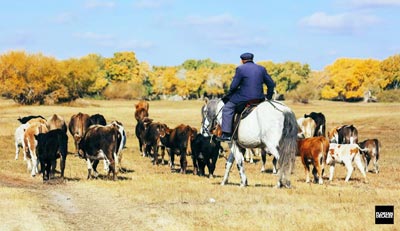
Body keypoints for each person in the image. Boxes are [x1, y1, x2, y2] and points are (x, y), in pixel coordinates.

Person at [216, 52, 275, 142]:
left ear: (242, 60)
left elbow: (233, 86)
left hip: (243, 98)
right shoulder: (261, 69)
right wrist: (269, 97)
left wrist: (230, 94)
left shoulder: (240, 69)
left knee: (228, 108)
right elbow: (271, 84)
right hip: (259, 98)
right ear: (252, 59)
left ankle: (227, 134)